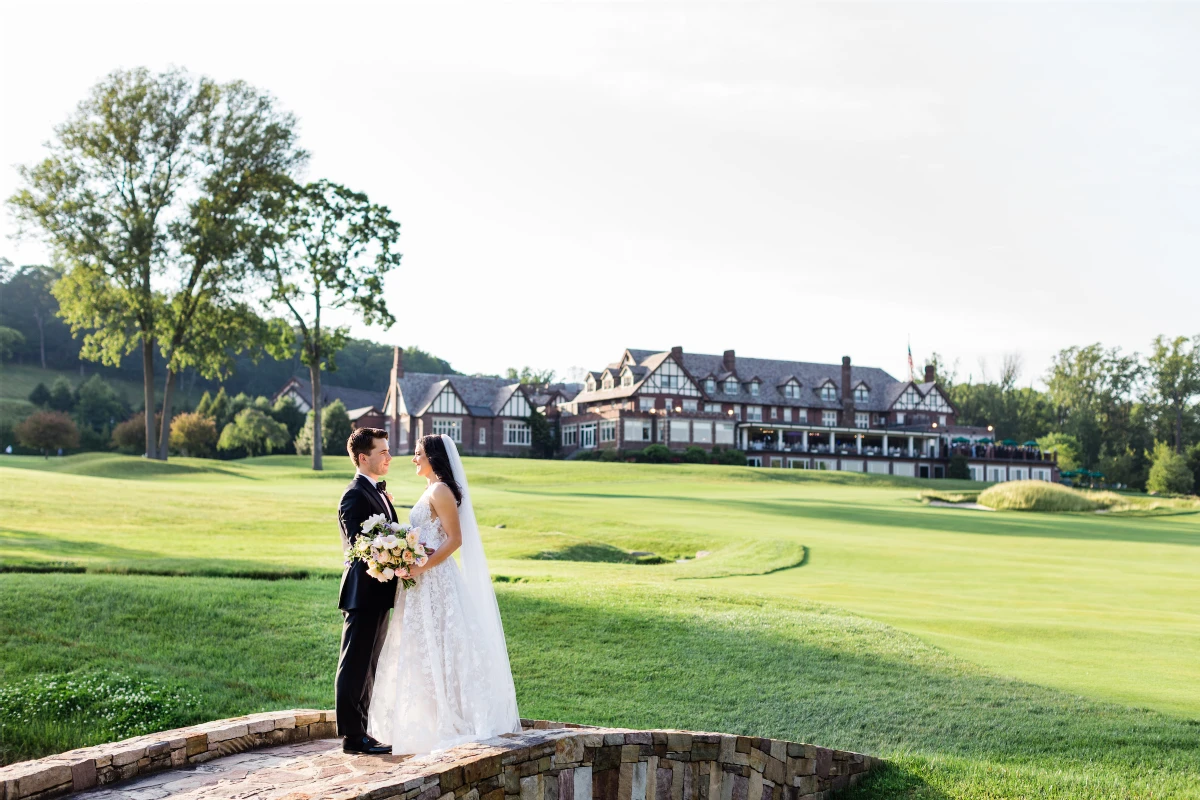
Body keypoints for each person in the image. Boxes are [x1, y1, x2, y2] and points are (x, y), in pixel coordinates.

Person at [367, 433, 521, 754]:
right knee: (425, 646)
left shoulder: (440, 490)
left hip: (437, 580)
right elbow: (425, 534)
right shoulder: (430, 490)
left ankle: (452, 718)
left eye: (418, 453)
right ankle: (433, 716)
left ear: (433, 457)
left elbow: (454, 539)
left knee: (443, 643)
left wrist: (421, 566)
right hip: (422, 580)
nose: (413, 459)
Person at [335, 428, 399, 755]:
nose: (389, 457)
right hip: (362, 593)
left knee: (369, 666)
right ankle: (351, 737)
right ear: (363, 457)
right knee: (355, 665)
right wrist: (396, 552)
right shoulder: (353, 495)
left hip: (380, 593)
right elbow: (359, 546)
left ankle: (363, 732)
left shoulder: (380, 492)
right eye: (383, 451)